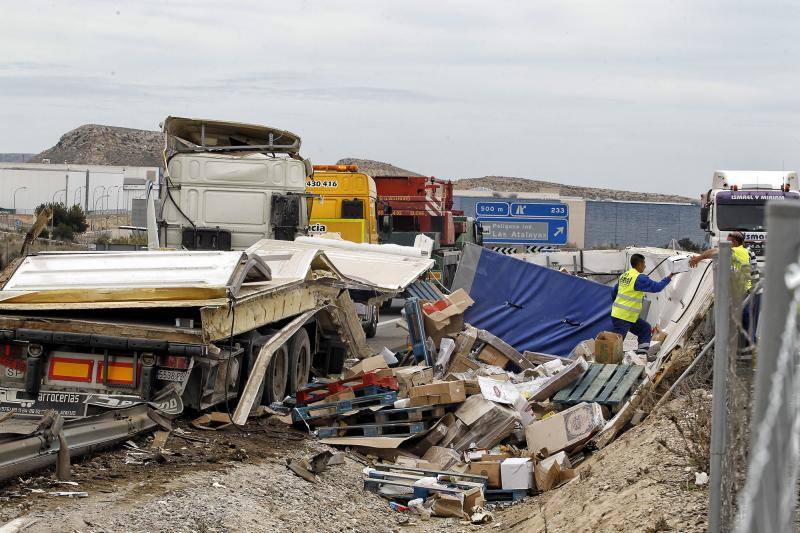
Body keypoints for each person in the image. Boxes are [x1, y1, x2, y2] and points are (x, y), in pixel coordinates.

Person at [610, 253, 676, 359]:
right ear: (639, 264)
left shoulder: (624, 276)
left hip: (624, 315)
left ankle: (641, 356)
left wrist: (617, 307)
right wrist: (670, 276)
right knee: (616, 345)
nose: (645, 266)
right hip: (624, 317)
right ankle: (608, 362)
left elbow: (614, 292)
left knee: (645, 328)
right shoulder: (639, 278)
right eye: (644, 263)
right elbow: (657, 287)